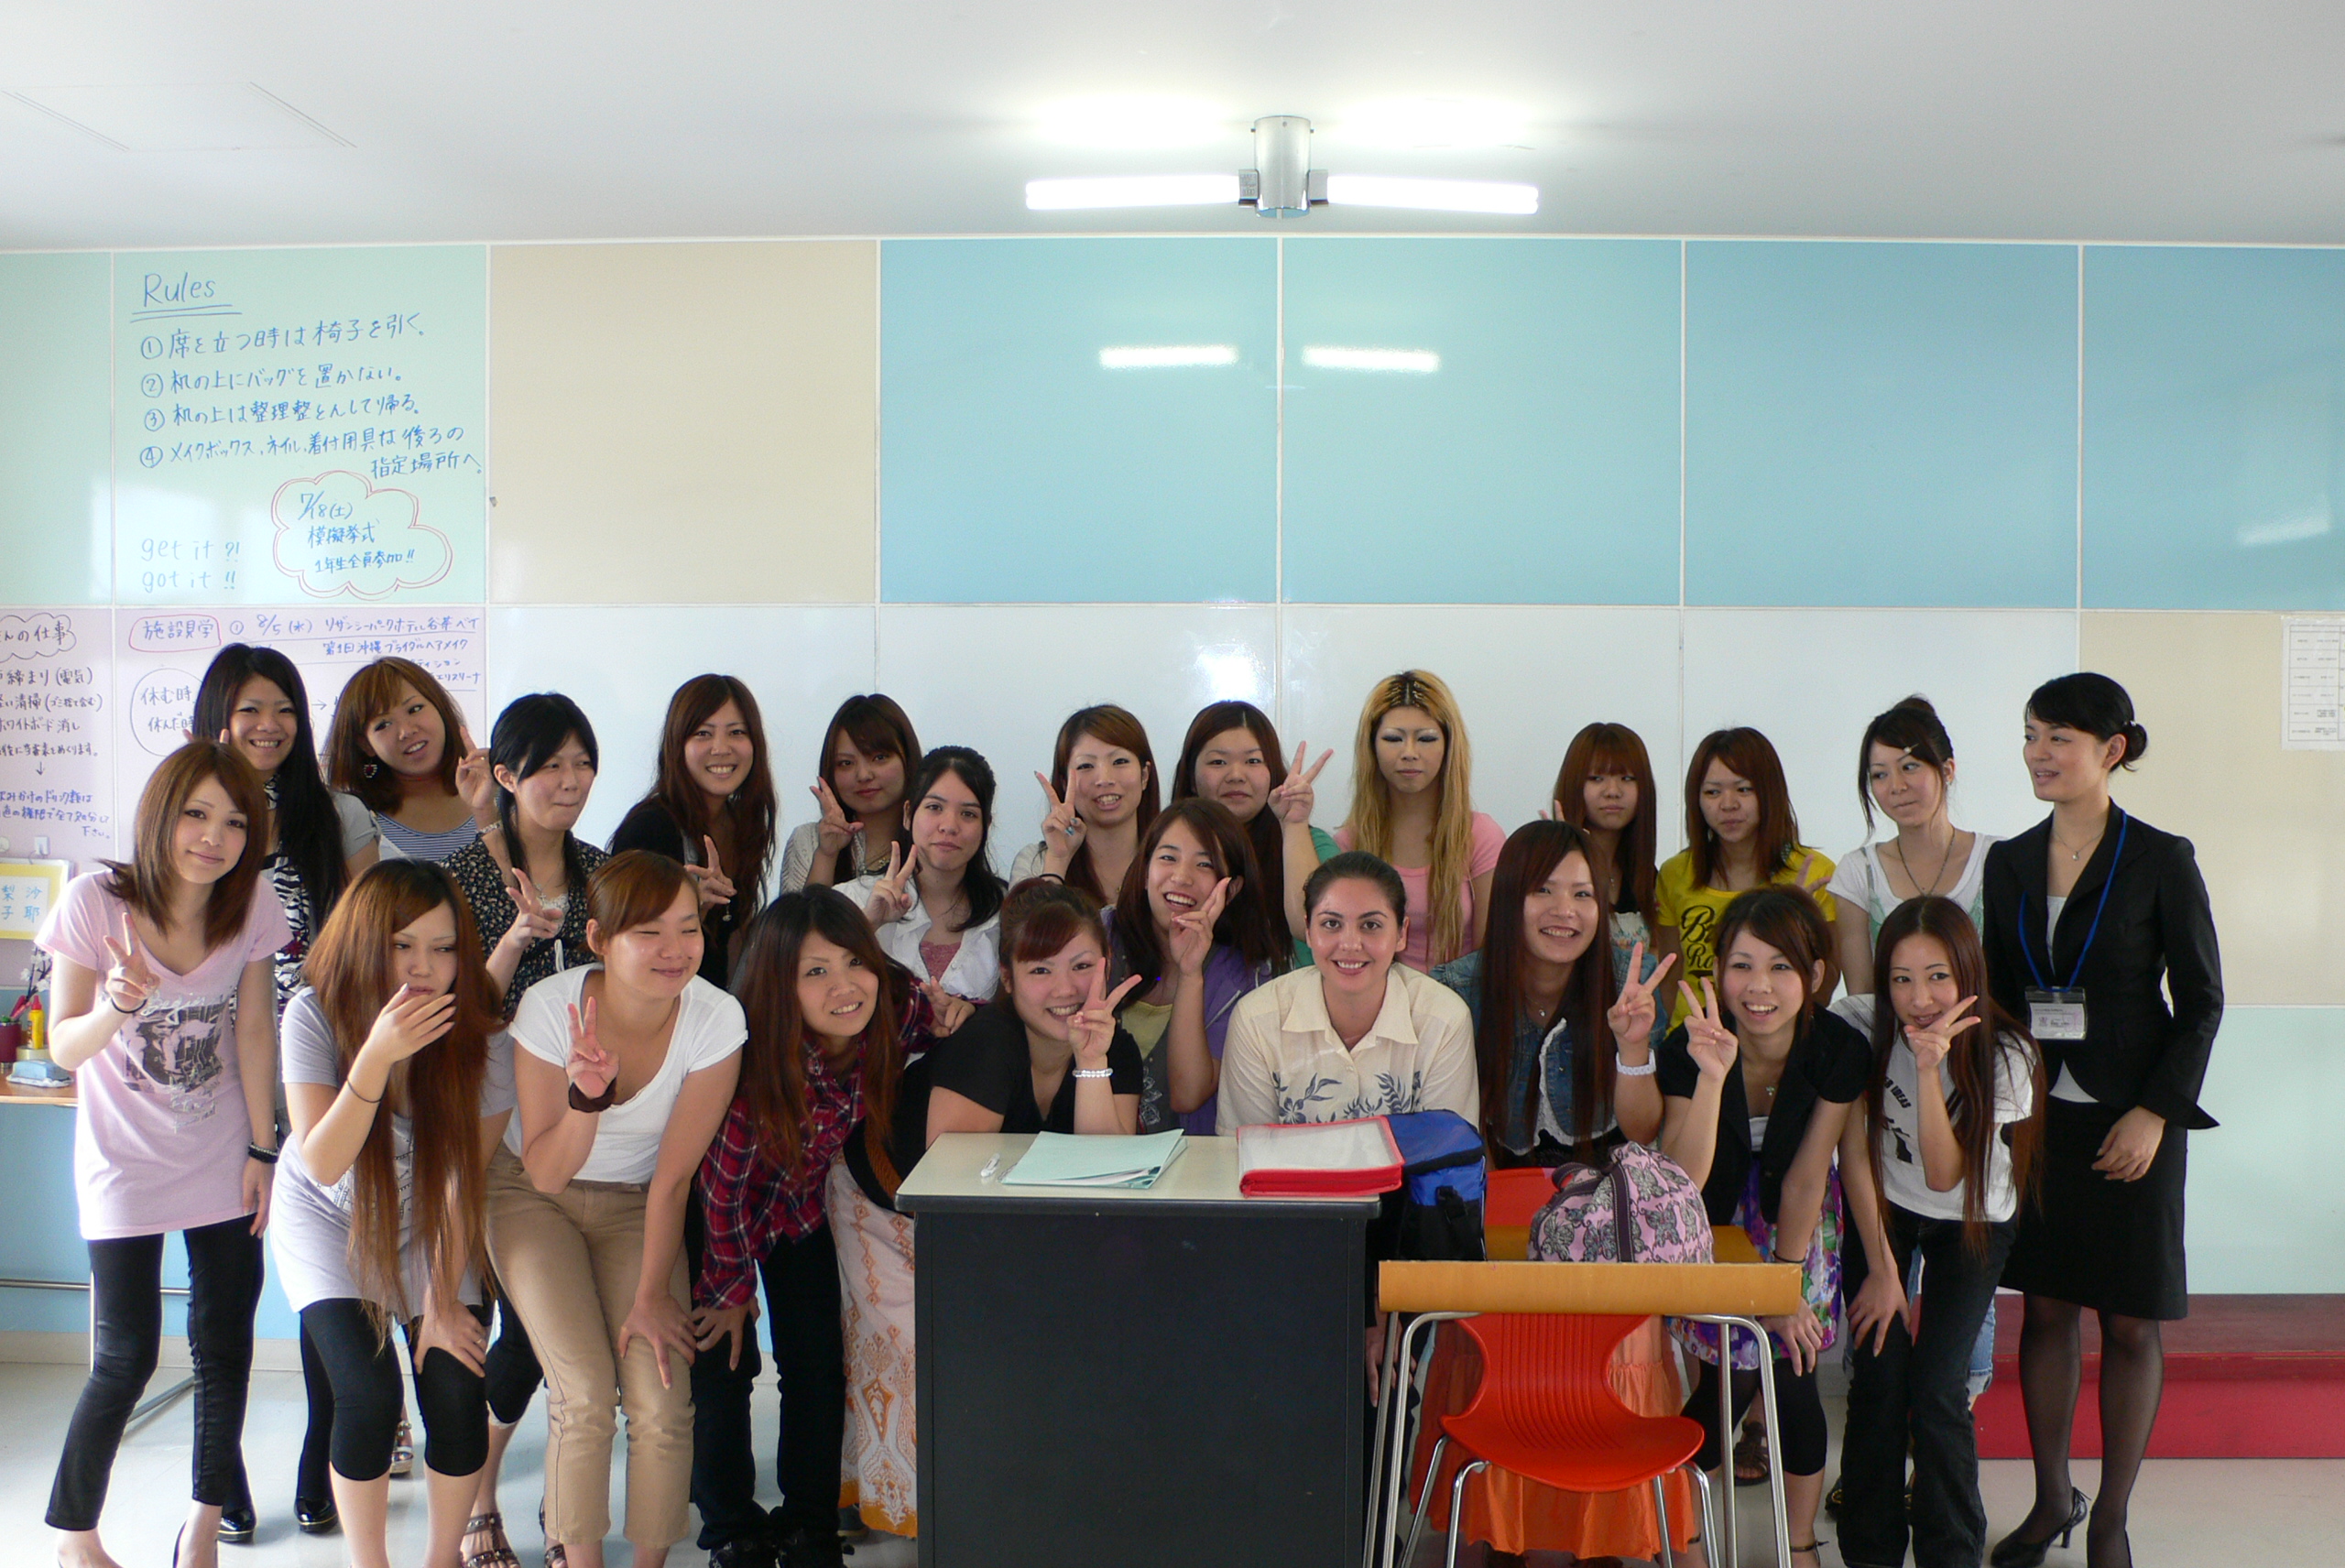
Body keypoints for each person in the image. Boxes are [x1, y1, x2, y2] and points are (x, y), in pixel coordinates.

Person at [1981, 673, 2221, 1568]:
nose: (2040, 752)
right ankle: (2051, 1500)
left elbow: (2201, 999)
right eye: (2031, 734)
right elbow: (2002, 996)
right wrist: (2003, 1111)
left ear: (2111, 749)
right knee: (2043, 1311)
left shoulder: (2160, 857)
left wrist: (2156, 1112)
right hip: (2040, 1122)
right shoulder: (2008, 859)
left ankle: (2111, 1515)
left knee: (2127, 1321)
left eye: (2061, 738)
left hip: (2133, 1123)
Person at [38, 742, 289, 1568]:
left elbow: (255, 1029)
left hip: (222, 1153)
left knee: (225, 1348)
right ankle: (77, 1539)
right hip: (124, 1163)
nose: (214, 838)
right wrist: (116, 1004)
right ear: (160, 814)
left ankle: (204, 1530)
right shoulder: (93, 902)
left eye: (234, 822)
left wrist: (263, 1146)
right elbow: (67, 1050)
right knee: (125, 1357)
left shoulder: (249, 904)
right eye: (197, 814)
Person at [485, 852, 744, 1568]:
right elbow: (545, 1169)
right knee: (586, 1391)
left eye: (688, 929)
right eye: (647, 932)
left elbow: (672, 1179)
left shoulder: (718, 1019)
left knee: (662, 1396)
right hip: (534, 1200)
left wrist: (653, 1294)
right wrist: (588, 1099)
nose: (673, 950)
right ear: (598, 939)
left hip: (639, 1205)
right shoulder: (551, 1008)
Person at [690, 890, 948, 1568]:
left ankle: (808, 1523)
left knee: (814, 1365)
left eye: (854, 962)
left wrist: (954, 1011)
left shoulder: (889, 1007)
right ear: (779, 984)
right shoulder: (750, 1068)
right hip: (723, 1223)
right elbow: (722, 1190)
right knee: (724, 1368)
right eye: (815, 972)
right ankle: (731, 1530)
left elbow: (931, 1011)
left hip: (801, 1211)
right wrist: (729, 1288)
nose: (845, 986)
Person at [192, 643, 387, 1534]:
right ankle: (217, 1475)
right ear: (217, 719)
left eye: (283, 709)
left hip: (312, 1065)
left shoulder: (338, 813)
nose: (268, 726)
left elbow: (360, 944)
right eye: (248, 710)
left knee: (324, 1284)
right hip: (219, 1081)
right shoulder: (195, 814)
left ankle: (320, 1469)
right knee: (223, 1290)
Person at [1618, 887, 1868, 1568]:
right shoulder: (1687, 1045)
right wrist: (1711, 1075)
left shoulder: (1838, 1047)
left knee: (1793, 1374)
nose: (1759, 987)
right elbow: (1683, 1178)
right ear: (1718, 970)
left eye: (1781, 967)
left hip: (1798, 1225)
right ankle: (1689, 1538)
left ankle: (1801, 1542)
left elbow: (1806, 1177)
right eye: (1742, 965)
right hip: (1712, 1221)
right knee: (1722, 1386)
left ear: (1815, 976)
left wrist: (1780, 1293)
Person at [272, 861, 512, 1568]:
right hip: (326, 1218)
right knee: (370, 1396)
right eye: (402, 945)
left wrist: (440, 1302)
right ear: (365, 940)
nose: (424, 967)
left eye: (443, 948)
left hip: (436, 1223)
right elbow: (321, 1162)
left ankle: (441, 1559)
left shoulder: (483, 1036)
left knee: (457, 1385)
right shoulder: (313, 1014)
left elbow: (462, 1177)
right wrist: (375, 1057)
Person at [1834, 898, 2044, 1568]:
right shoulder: (1864, 1026)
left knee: (1936, 1386)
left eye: (1937, 977)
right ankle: (1869, 1551)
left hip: (1974, 1219)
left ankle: (1950, 1552)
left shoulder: (2007, 1054)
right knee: (1877, 1374)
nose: (1918, 998)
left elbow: (1948, 1172)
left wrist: (1928, 1067)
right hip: (1886, 1212)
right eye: (1900, 978)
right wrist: (1882, 1270)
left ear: (1969, 972)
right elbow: (1855, 1150)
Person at [1433, 821, 1669, 1164]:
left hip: (1607, 1187)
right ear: (1508, 896)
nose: (1564, 910)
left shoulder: (1630, 985)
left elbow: (1642, 1132)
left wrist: (1633, 1047)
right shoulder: (1458, 991)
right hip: (1499, 1185)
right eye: (1543, 889)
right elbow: (1461, 1136)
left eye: (1582, 893)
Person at [1216, 851, 1478, 1132]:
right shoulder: (1257, 1020)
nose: (1350, 943)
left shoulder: (1444, 1020)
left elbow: (1448, 1155)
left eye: (1371, 925)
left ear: (1401, 933)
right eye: (1332, 924)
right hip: (1288, 1178)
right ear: (1307, 930)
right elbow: (1244, 1153)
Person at [1101, 798, 1282, 1134]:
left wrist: (1190, 972)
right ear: (1143, 871)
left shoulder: (1246, 976)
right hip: (1088, 1153)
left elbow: (1188, 1096)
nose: (1181, 877)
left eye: (1205, 864)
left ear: (1233, 889)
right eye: (1167, 858)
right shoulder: (1101, 937)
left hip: (1191, 1168)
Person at [924, 879, 1145, 1138]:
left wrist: (1092, 1062)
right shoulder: (984, 1046)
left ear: (1106, 965)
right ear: (1007, 978)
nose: (1065, 989)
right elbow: (953, 1175)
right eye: (1040, 970)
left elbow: (1108, 1168)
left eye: (1081, 966)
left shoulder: (1115, 1048)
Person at [1655, 727, 1838, 1028]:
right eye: (1713, 792)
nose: (1728, 804)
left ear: (1770, 792)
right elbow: (1670, 979)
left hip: (1776, 1043)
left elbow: (1825, 985)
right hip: (1694, 1041)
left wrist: (1797, 918)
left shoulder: (1814, 871)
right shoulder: (1675, 873)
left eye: (1744, 789)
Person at [1330, 671, 1503, 974]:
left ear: (1449, 745)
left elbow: (1490, 956)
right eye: (1393, 739)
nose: (1409, 753)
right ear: (1371, 747)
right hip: (1378, 1007)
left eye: (1426, 739)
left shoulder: (1482, 837)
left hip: (1463, 1006)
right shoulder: (1349, 844)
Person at [612, 674, 778, 988]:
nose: (721, 748)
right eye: (703, 733)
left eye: (737, 732)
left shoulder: (743, 823)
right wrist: (691, 911)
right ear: (678, 745)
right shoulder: (651, 828)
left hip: (711, 1014)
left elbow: (733, 944)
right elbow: (621, 945)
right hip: (659, 1013)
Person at [1831, 697, 2000, 995]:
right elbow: (1862, 999)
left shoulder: (1997, 859)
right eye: (1880, 774)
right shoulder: (1858, 872)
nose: (1896, 786)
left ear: (1948, 770)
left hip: (1982, 1036)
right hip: (1891, 1041)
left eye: (1909, 767)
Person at [1167, 700, 1338, 964]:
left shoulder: (1313, 845)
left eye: (1253, 760)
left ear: (1272, 772)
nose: (1236, 775)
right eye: (1218, 762)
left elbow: (1318, 926)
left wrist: (1293, 825)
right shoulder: (1168, 851)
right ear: (1190, 776)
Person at [849, 746, 1008, 1002]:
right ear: (908, 814)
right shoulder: (853, 899)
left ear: (985, 826)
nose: (949, 826)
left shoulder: (1008, 911)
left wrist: (974, 1012)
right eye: (935, 807)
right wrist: (868, 924)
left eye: (968, 814)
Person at [1551, 721, 1668, 1047]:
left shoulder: (1649, 876)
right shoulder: (1547, 866)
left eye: (1627, 778)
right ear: (1575, 785)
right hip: (1568, 1032)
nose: (1612, 791)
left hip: (1637, 1033)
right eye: (1596, 778)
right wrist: (1564, 854)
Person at [324, 657, 496, 864]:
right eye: (383, 724)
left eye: (414, 709)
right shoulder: (354, 818)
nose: (406, 731)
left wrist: (485, 811)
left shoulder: (504, 792)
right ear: (365, 745)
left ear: (439, 707)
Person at [1009, 704, 1161, 904]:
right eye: (1086, 766)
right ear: (1064, 783)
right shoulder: (1035, 864)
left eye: (1119, 761)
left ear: (1144, 775)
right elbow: (1026, 934)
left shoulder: (1172, 861)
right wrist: (1058, 862)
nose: (1104, 779)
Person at [780, 694, 921, 893]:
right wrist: (826, 855)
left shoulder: (935, 837)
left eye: (879, 757)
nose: (863, 775)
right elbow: (797, 923)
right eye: (846, 763)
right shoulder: (808, 841)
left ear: (908, 757)